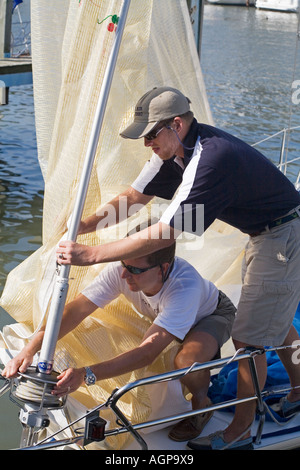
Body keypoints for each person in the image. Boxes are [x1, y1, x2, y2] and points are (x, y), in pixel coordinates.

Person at [55, 86, 300, 450]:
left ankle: (241, 431)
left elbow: (164, 234)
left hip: (282, 233)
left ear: (177, 124)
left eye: (151, 134)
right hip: (266, 233)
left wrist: (91, 255)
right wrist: (87, 225)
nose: (146, 143)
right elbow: (135, 200)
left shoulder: (211, 159)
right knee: (272, 323)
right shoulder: (174, 152)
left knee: (248, 337)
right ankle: (298, 388)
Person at [2, 230, 236, 442]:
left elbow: (146, 353)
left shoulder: (185, 287)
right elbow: (76, 310)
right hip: (167, 315)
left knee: (185, 361)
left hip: (210, 316)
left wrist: (86, 374)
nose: (124, 274)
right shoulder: (123, 271)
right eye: (124, 263)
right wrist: (29, 350)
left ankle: (202, 405)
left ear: (163, 268)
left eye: (134, 269)